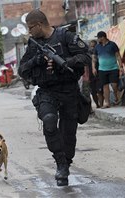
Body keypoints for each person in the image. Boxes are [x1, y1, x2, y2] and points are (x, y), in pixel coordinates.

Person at [18, 9, 91, 186]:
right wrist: (37, 60)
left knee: (68, 135)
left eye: (30, 28)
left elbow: (85, 57)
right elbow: (22, 70)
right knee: (49, 122)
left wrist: (66, 62)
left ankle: (66, 162)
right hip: (47, 91)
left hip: (68, 91)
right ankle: (60, 164)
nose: (29, 32)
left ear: (40, 24)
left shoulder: (65, 36)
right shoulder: (34, 44)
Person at [92, 31, 123, 108]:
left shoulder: (112, 45)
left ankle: (116, 97)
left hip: (113, 68)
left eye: (98, 38)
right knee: (105, 86)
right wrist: (93, 68)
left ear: (102, 37)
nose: (98, 39)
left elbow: (118, 56)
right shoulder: (97, 47)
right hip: (102, 69)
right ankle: (107, 103)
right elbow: (94, 58)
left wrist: (121, 66)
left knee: (114, 85)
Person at [88, 40, 103, 108]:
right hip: (90, 76)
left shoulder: (99, 54)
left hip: (99, 73)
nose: (92, 48)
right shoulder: (87, 55)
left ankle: (101, 104)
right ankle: (97, 105)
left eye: (93, 46)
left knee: (99, 90)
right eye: (91, 46)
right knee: (93, 92)